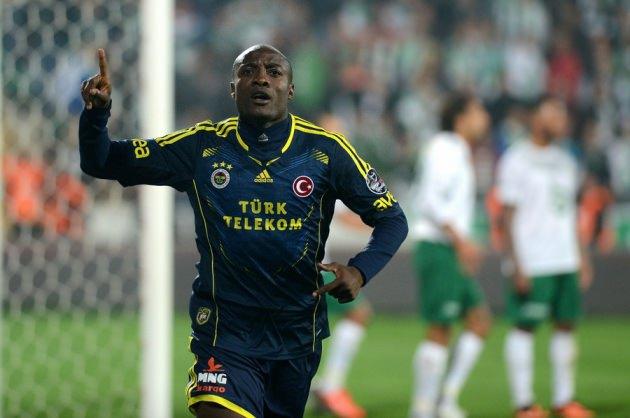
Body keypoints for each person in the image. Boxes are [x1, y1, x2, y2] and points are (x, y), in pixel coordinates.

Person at [79, 45, 407, 418]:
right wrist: (96, 115)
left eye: (274, 72)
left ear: (290, 89)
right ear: (233, 88)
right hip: (225, 333)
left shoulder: (325, 151)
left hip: (296, 335)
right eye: (248, 71)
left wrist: (360, 271)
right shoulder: (202, 147)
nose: (261, 78)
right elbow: (102, 161)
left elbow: (393, 219)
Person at [497, 96, 594, 418]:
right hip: (533, 260)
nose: (561, 120)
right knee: (525, 326)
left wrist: (582, 257)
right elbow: (506, 216)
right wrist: (516, 263)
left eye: (562, 114)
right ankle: (524, 404)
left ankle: (565, 399)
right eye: (554, 113)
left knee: (566, 326)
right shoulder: (516, 159)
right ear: (535, 118)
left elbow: (571, 213)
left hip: (565, 258)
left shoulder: (566, 160)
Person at [408, 93, 492, 418]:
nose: (484, 117)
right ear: (460, 118)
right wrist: (461, 242)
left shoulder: (458, 150)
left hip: (450, 246)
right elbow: (429, 199)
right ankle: (422, 409)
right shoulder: (444, 148)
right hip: (438, 245)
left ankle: (445, 400)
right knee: (440, 328)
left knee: (479, 320)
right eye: (478, 110)